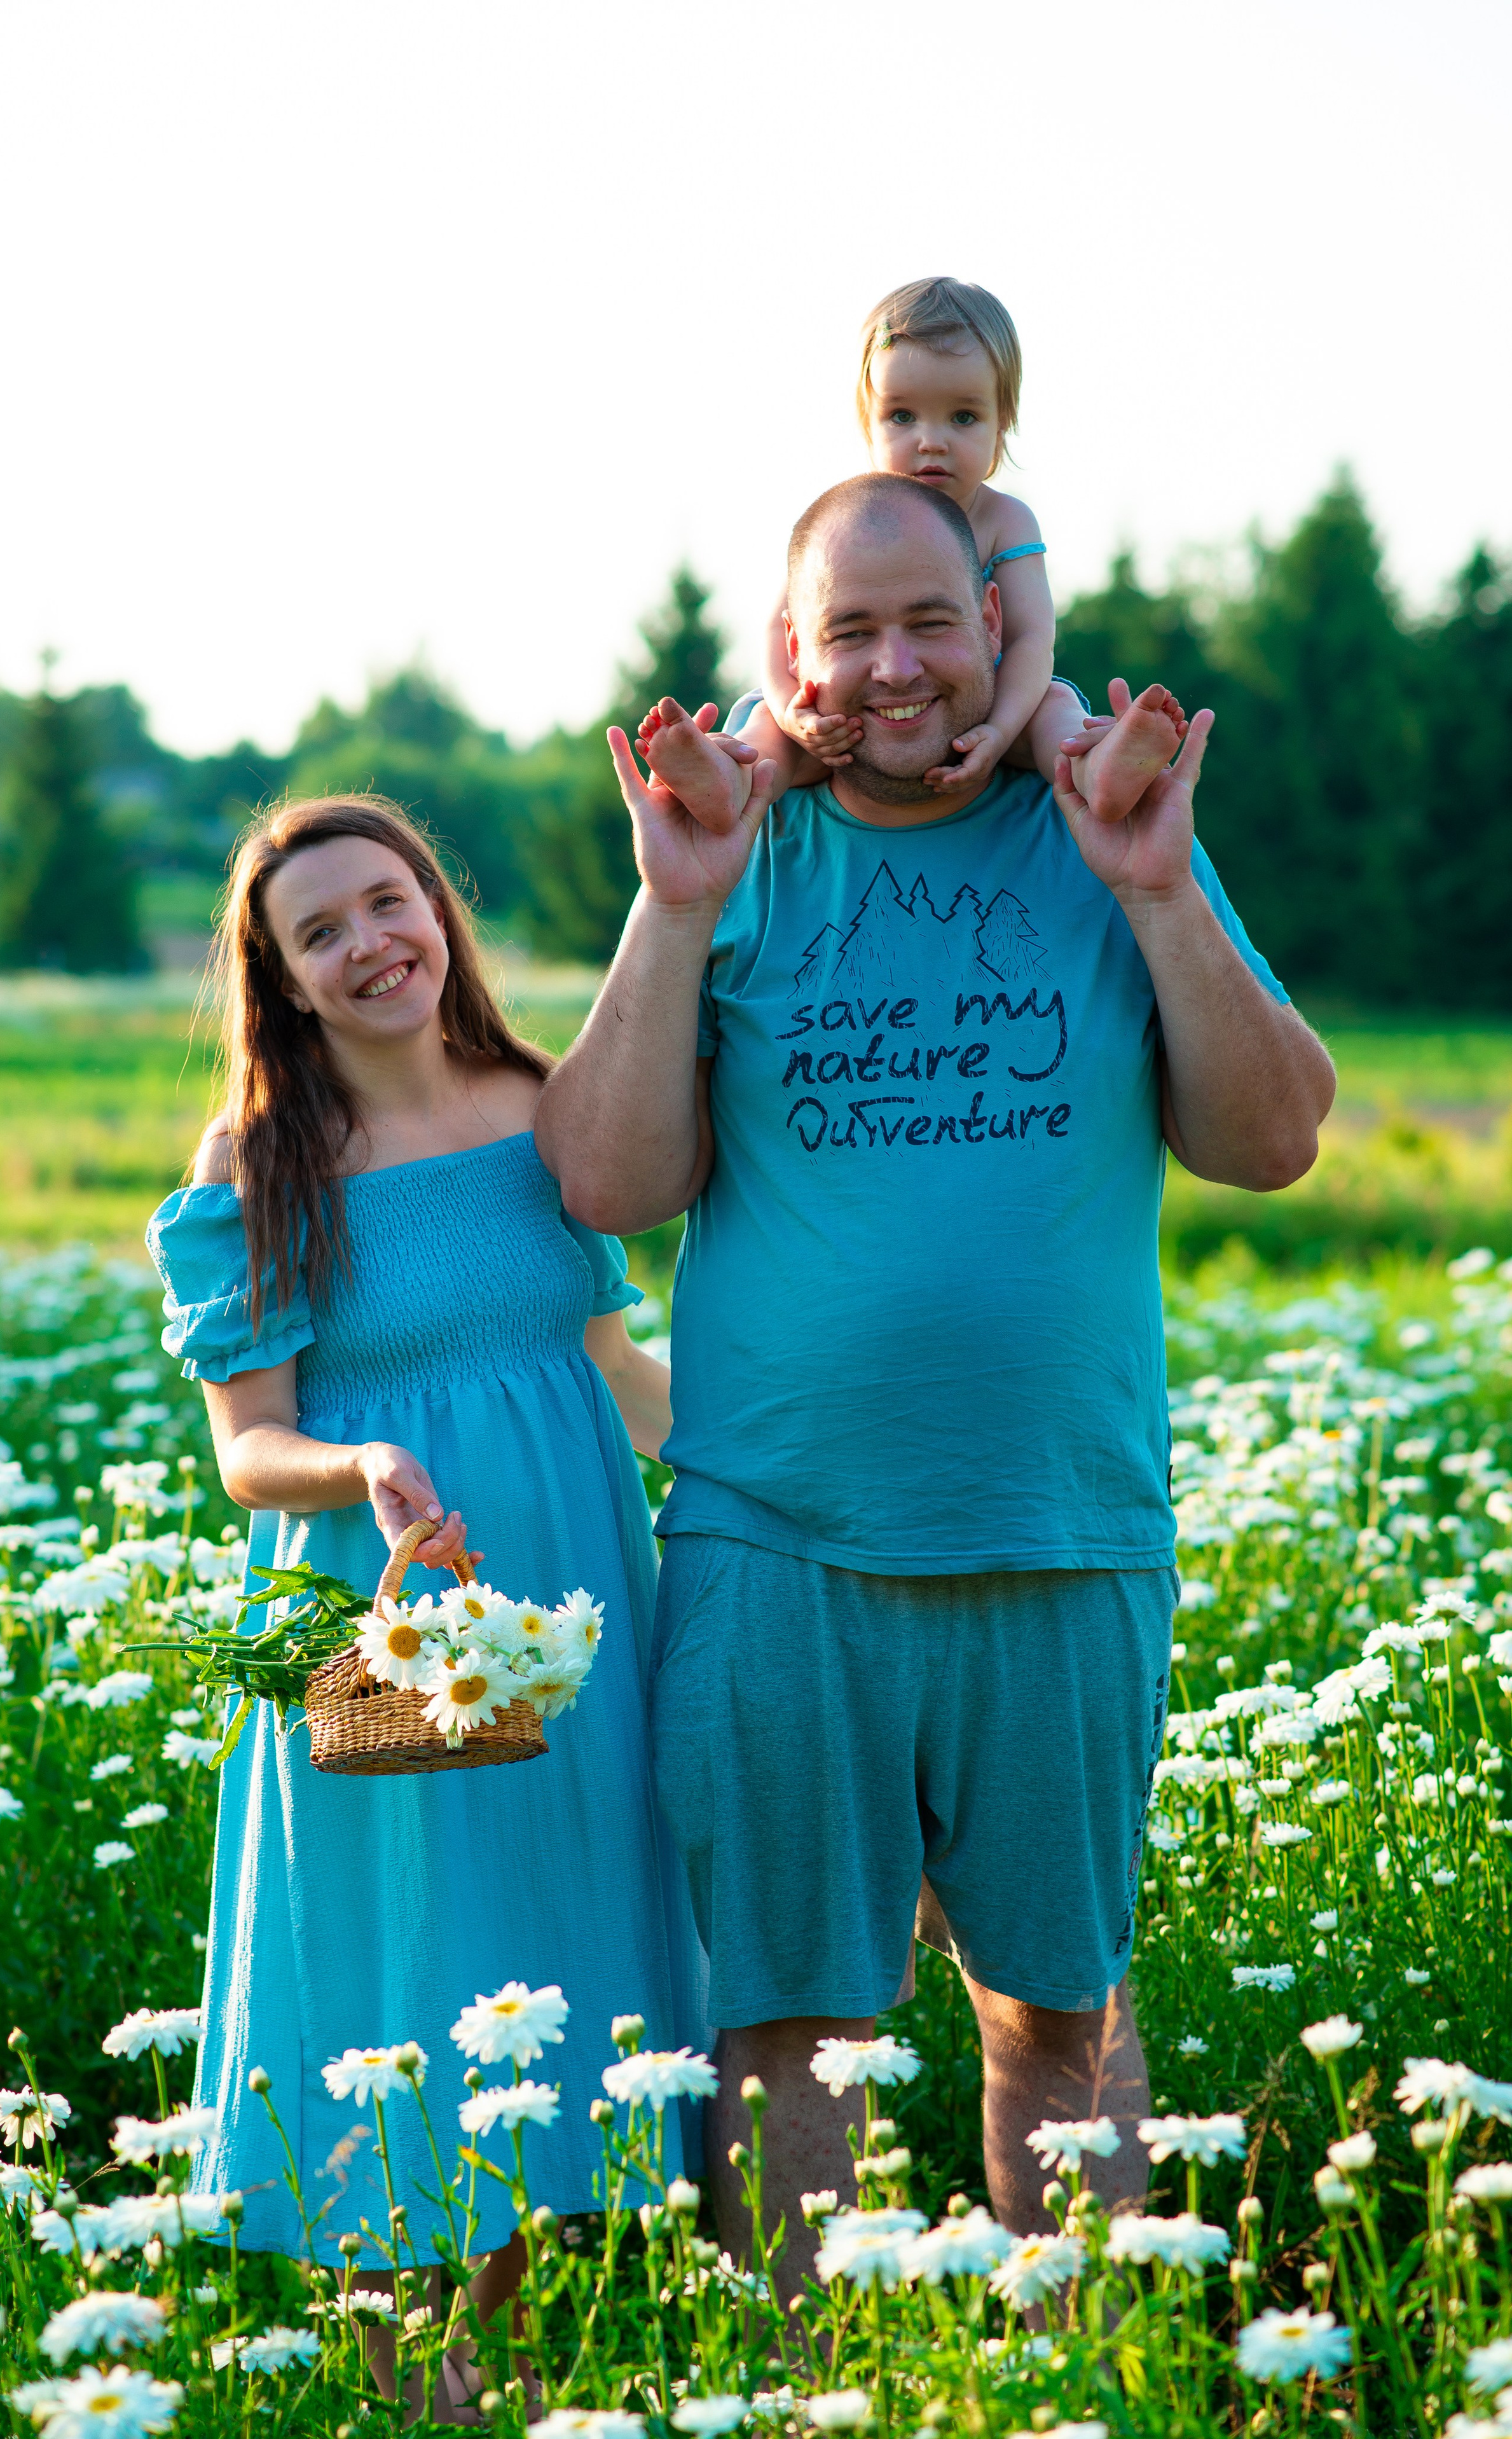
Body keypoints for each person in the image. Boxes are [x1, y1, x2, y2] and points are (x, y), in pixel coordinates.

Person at [535, 471, 1336, 2292]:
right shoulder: (732, 853)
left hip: (1061, 1528)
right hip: (779, 1543)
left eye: (930, 622)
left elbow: (1275, 1138)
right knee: (784, 2024)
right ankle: (804, 2393)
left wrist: (1154, 885)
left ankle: (1071, 2366)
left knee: (1058, 2007)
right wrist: (674, 907)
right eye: (852, 632)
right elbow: (606, 1181)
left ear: (1001, 630)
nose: (895, 668)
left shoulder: (1104, 820)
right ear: (786, 660)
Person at [146, 796, 703, 2369]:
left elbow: (612, 1368)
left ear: (438, 910)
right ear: (283, 980)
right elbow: (248, 1443)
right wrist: (358, 1463)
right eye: (318, 932)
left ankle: (514, 2362)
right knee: (410, 1947)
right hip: (376, 1599)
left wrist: (777, 1468)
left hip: (570, 1590)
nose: (367, 943)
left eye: (387, 902)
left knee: (555, 1936)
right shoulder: (259, 1158)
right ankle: (407, 2376)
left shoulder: (546, 1101)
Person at [680, 275, 1174, 824]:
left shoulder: (1005, 520)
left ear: (1002, 423)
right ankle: (731, 784)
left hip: (995, 709)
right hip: (852, 729)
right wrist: (792, 714)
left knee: (1057, 711)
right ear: (867, 424)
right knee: (765, 732)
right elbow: (781, 627)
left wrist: (1000, 728)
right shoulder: (844, 527)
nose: (931, 441)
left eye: (963, 417)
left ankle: (1099, 775)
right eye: (902, 416)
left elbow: (1033, 637)